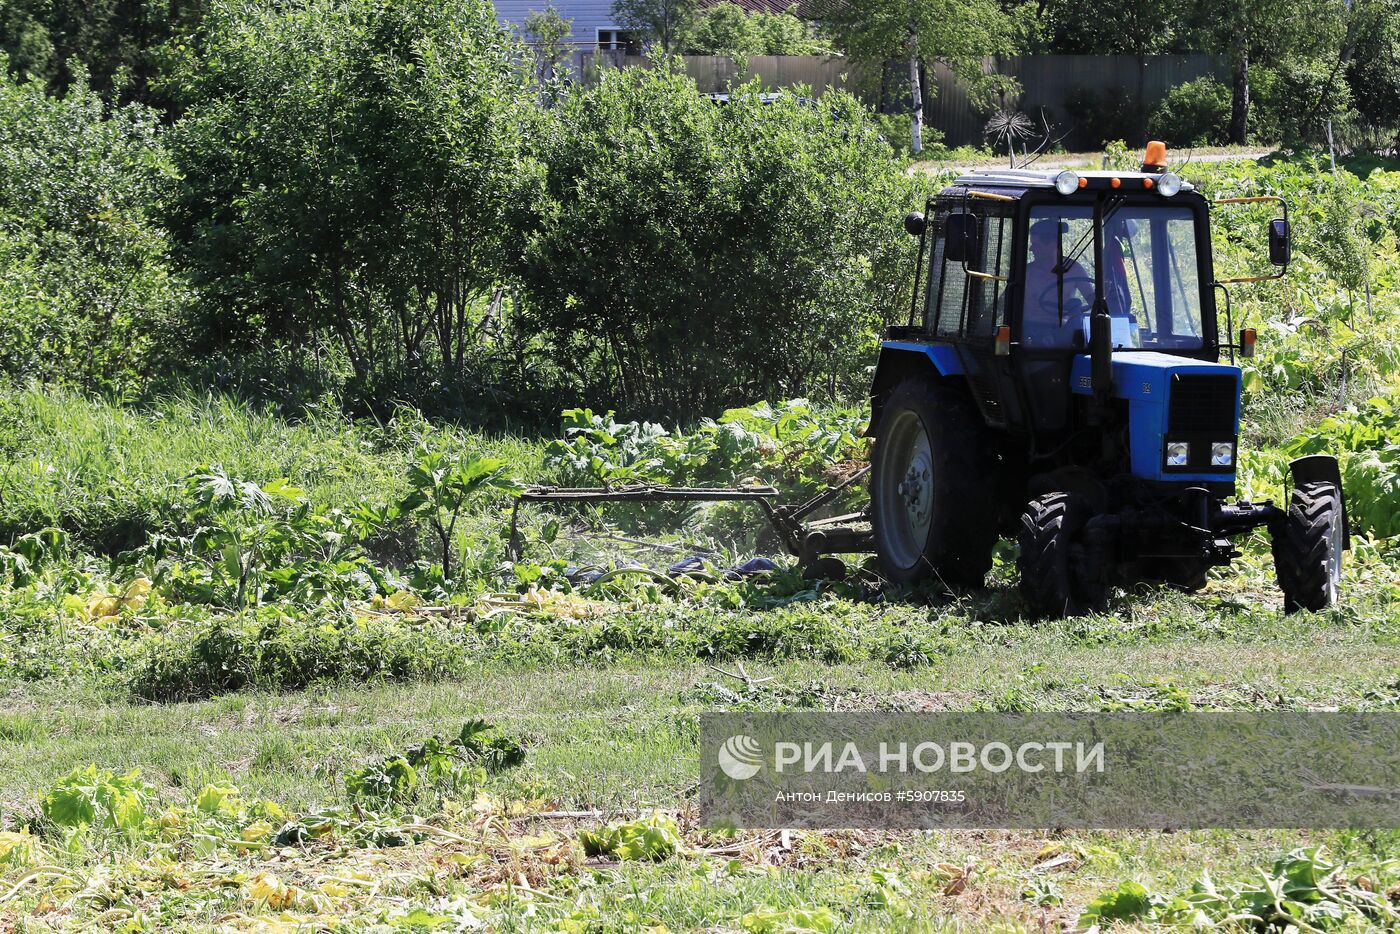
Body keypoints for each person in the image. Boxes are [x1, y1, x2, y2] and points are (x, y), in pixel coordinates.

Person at [1022, 218, 1095, 345]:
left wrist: (1103, 293)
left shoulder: (1073, 269)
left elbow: (1093, 301)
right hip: (1030, 336)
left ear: (1052, 245)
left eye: (1036, 245)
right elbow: (1008, 304)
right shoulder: (1027, 273)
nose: (1031, 249)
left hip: (1064, 335)